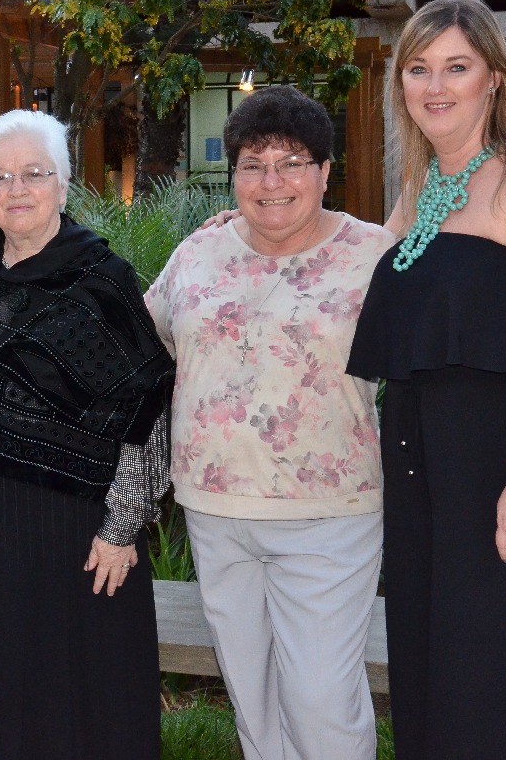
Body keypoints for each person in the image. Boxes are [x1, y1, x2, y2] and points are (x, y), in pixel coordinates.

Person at [346, 0, 506, 759]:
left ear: (495, 78)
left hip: (499, 459)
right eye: (417, 68)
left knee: (493, 670)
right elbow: (356, 266)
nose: (436, 85)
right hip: (422, 458)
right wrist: (255, 223)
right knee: (427, 658)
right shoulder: (423, 188)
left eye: (457, 66)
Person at [145, 84, 395, 760]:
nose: (271, 181)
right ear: (233, 176)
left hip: (328, 515)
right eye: (253, 164)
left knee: (320, 698)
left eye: (291, 162)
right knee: (252, 697)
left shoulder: (375, 255)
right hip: (215, 508)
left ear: (323, 170)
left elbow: (457, 330)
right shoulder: (199, 252)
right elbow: (137, 346)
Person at [0, 109, 175, 760]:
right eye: (0, 176)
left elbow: (142, 406)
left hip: (83, 523)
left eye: (34, 173)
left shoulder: (101, 280)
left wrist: (122, 526)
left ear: (62, 185)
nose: (17, 188)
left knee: (84, 678)